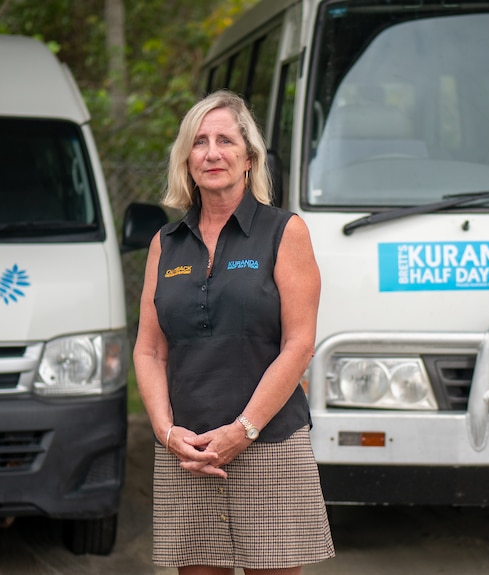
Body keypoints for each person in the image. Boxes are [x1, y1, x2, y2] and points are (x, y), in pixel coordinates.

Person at [133, 90, 335, 575]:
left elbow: (299, 344)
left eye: (225, 139)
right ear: (187, 160)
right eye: (199, 142)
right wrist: (166, 432)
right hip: (190, 450)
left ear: (249, 157)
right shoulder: (165, 243)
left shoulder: (285, 233)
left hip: (269, 443)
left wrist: (244, 430)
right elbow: (149, 350)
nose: (212, 152)